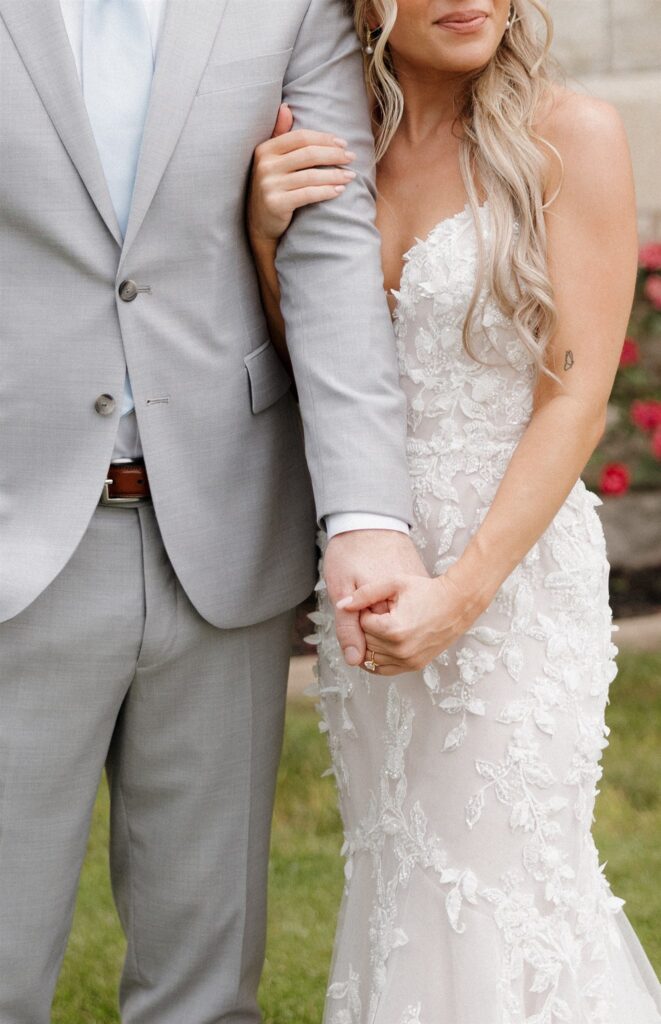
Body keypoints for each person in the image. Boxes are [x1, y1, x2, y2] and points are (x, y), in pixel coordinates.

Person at [0, 0, 428, 1020]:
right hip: (16, 529)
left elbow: (330, 240)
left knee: (203, 987)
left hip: (223, 531)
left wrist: (367, 508)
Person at [248, 1, 661, 1020]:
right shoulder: (331, 142)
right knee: (401, 884)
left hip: (508, 588)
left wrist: (463, 593)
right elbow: (318, 369)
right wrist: (265, 235)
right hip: (371, 570)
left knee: (499, 891)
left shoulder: (570, 134)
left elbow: (574, 395)